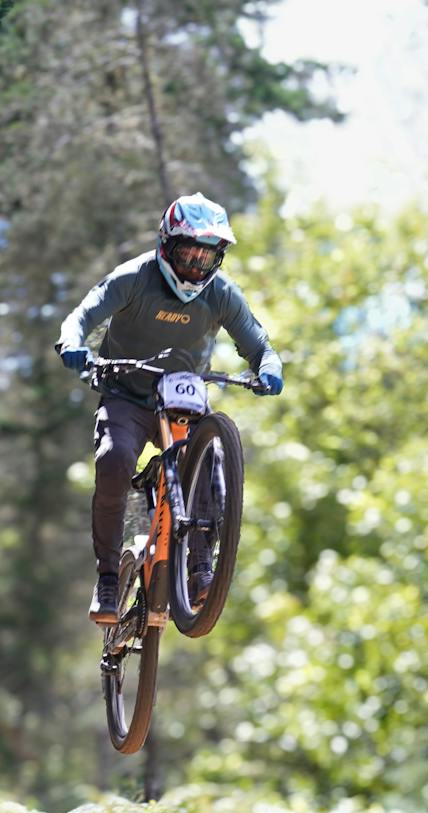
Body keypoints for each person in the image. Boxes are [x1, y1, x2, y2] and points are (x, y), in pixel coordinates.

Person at [56, 192, 284, 623]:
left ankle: (200, 569)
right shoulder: (134, 278)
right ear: (166, 245)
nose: (195, 267)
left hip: (184, 398)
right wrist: (72, 344)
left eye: (206, 258)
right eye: (188, 255)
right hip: (126, 394)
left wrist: (269, 367)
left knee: (214, 466)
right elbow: (81, 317)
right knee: (114, 458)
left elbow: (258, 344)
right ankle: (107, 576)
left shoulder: (221, 294)